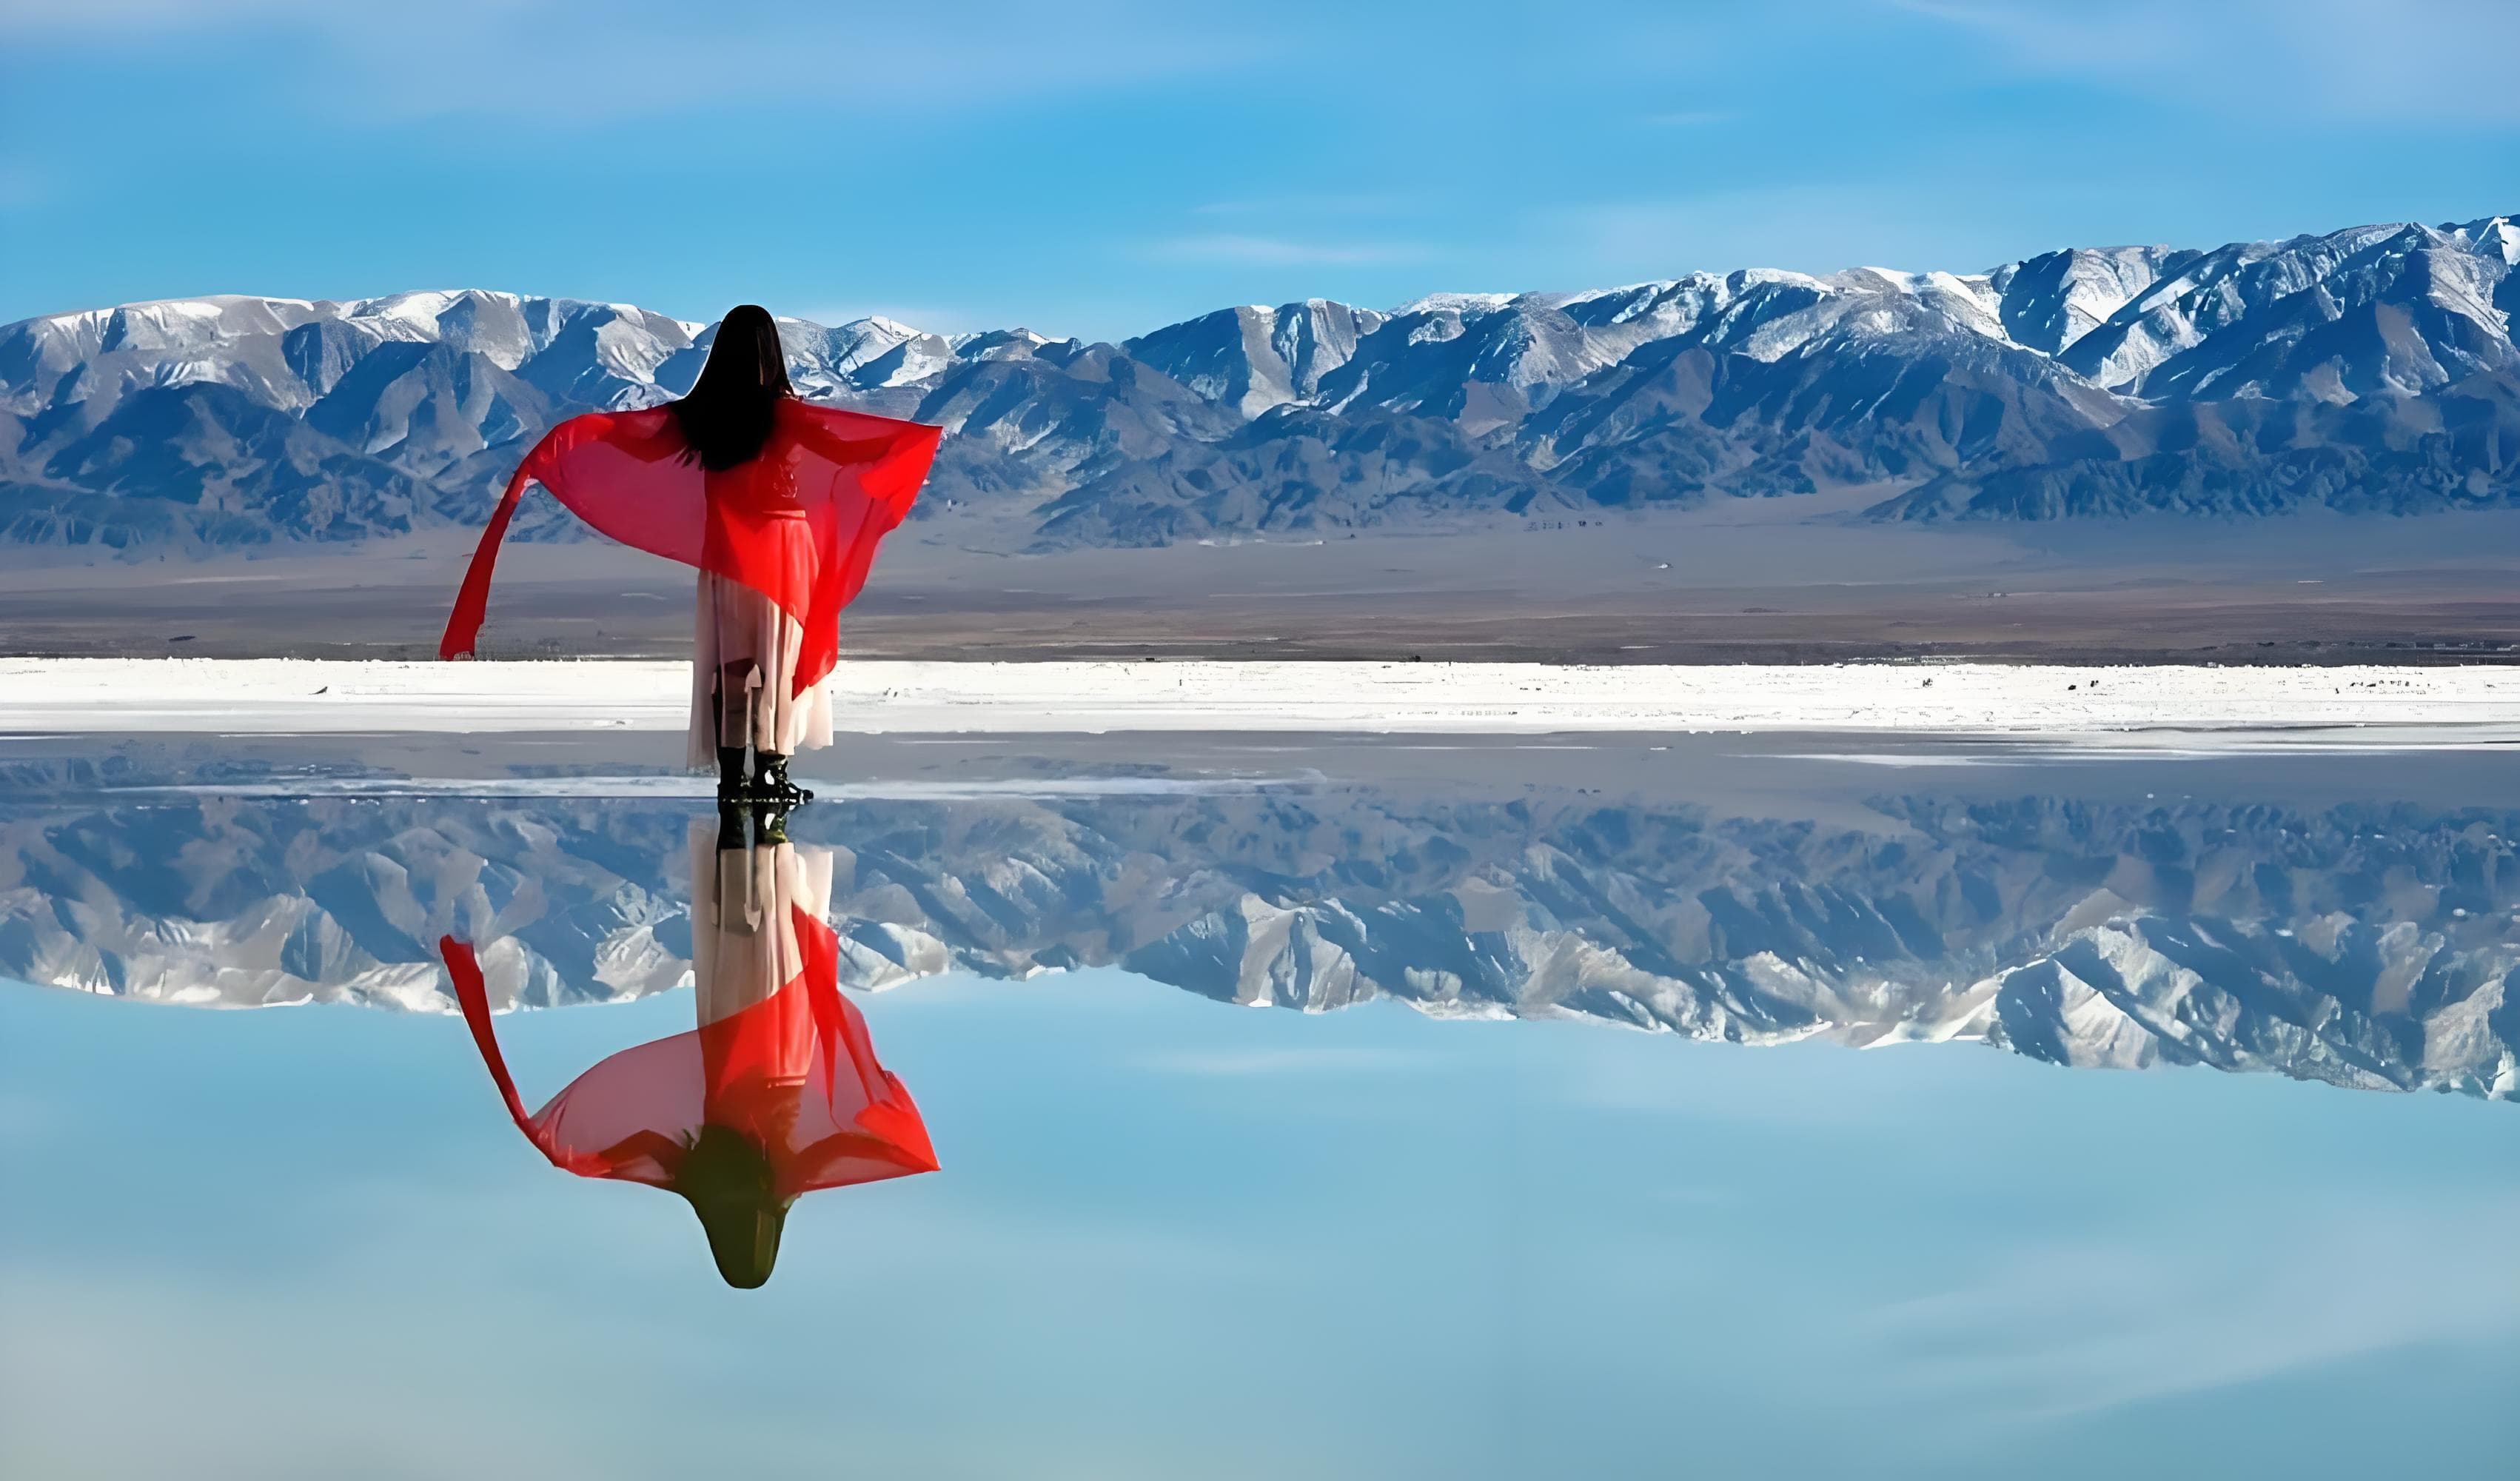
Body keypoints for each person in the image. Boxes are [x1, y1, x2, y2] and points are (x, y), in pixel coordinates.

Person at [440, 306, 943, 803]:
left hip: (727, 557)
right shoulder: (787, 412)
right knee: (779, 666)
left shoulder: (697, 418)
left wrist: (572, 440)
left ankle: (732, 778)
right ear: (773, 353)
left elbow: (637, 446)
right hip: (785, 554)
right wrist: (912, 448)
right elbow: (849, 453)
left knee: (731, 667)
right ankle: (771, 774)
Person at [440, 801, 939, 1288]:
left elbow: (840, 1146)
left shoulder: (779, 1188)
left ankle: (771, 828)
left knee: (776, 945)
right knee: (731, 943)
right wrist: (590, 1158)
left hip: (781, 1057)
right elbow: (643, 1143)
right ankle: (738, 823)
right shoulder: (695, 1181)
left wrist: (884, 1122)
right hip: (721, 1044)